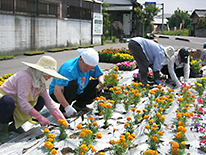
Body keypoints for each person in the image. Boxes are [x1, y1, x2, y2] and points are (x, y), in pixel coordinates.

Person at [0, 55, 68, 144]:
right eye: (48, 74)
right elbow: (23, 103)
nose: (49, 78)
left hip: (17, 107)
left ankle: (15, 126)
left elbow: (49, 102)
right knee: (8, 101)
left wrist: (63, 121)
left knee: (41, 101)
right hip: (4, 107)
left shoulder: (39, 82)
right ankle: (2, 130)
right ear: (40, 71)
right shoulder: (25, 77)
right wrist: (40, 117)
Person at [49, 48, 104, 118]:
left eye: (91, 68)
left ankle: (79, 105)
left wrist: (101, 82)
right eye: (86, 67)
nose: (88, 70)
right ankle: (63, 110)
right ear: (80, 59)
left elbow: (100, 74)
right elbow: (57, 90)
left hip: (79, 90)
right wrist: (67, 107)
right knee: (72, 85)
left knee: (96, 84)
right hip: (58, 93)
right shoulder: (68, 69)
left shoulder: (91, 64)